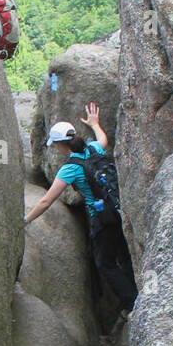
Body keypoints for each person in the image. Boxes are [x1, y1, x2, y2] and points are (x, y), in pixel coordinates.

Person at [24, 103, 137, 312]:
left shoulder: (70, 168)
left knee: (106, 264)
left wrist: (26, 220)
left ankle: (132, 304)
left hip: (102, 220)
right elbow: (103, 139)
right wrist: (95, 124)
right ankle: (137, 294)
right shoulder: (93, 148)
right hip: (120, 211)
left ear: (59, 145)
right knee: (125, 256)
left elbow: (46, 201)